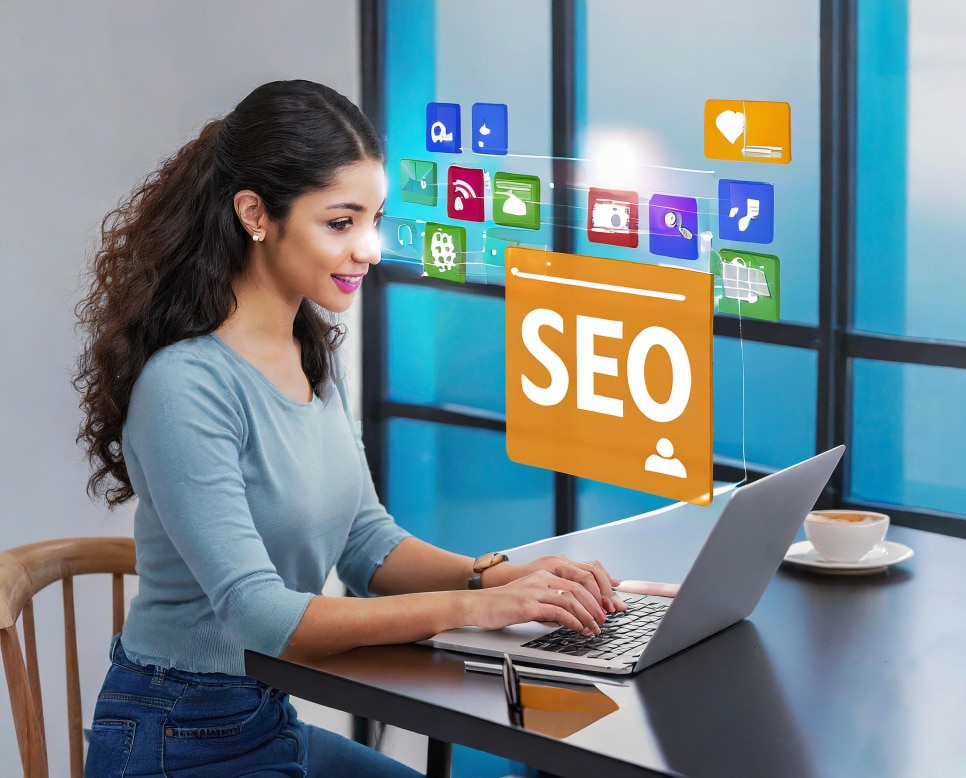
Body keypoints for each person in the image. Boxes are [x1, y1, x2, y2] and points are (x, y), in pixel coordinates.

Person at [73, 79, 626, 777]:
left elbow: (367, 543)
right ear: (255, 214)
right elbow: (265, 620)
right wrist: (476, 609)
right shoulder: (186, 387)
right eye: (340, 223)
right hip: (175, 738)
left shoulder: (309, 355)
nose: (368, 248)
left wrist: (500, 580)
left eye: (374, 219)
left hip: (267, 719)